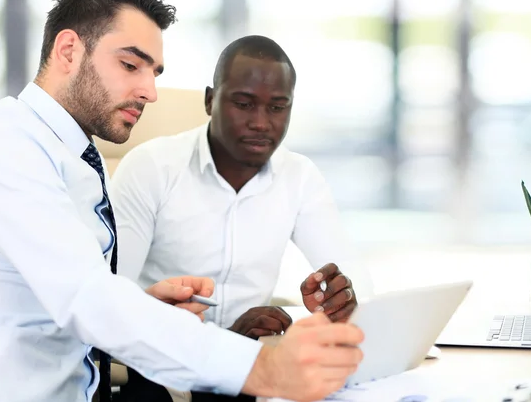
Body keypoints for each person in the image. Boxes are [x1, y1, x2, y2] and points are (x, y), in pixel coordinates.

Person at [0, 0, 365, 402]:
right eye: (131, 65)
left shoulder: (75, 155)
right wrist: (265, 369)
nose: (150, 92)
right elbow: (87, 299)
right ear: (67, 51)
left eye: (154, 73)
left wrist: (149, 306)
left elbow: (71, 297)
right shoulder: (7, 145)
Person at [112, 34, 374, 337]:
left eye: (277, 107)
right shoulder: (151, 168)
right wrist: (230, 339)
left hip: (256, 367)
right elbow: (111, 304)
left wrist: (341, 299)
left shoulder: (300, 177)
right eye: (244, 104)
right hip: (161, 366)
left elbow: (355, 282)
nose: (261, 123)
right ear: (210, 101)